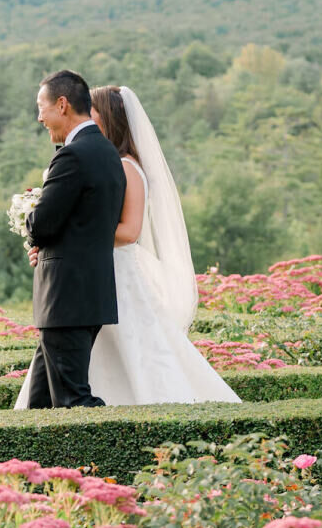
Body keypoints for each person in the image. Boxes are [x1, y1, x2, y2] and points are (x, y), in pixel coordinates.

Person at [16, 83, 240, 408]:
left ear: (106, 117)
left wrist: (62, 234)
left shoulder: (124, 165)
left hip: (109, 269)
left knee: (128, 361)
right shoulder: (105, 161)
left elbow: (130, 231)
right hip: (93, 267)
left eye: (93, 111)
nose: (87, 117)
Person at [19, 70, 126, 408]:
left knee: (73, 402)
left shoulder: (73, 155)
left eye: (41, 107)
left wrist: (30, 220)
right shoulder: (107, 152)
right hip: (87, 295)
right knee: (39, 404)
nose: (40, 117)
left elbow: (41, 224)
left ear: (62, 105)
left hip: (66, 298)